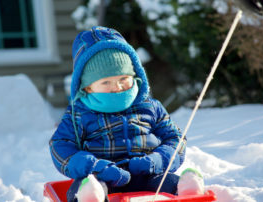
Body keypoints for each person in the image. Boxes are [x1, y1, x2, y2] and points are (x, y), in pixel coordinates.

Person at [49, 26, 187, 202]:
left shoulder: (150, 107)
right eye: (106, 82)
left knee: (172, 184)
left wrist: (157, 160)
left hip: (148, 175)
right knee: (85, 189)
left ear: (135, 75)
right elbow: (60, 146)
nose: (117, 87)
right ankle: (90, 198)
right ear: (87, 87)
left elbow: (175, 138)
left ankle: (187, 191)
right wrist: (94, 166)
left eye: (123, 79)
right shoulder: (79, 115)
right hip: (102, 177)